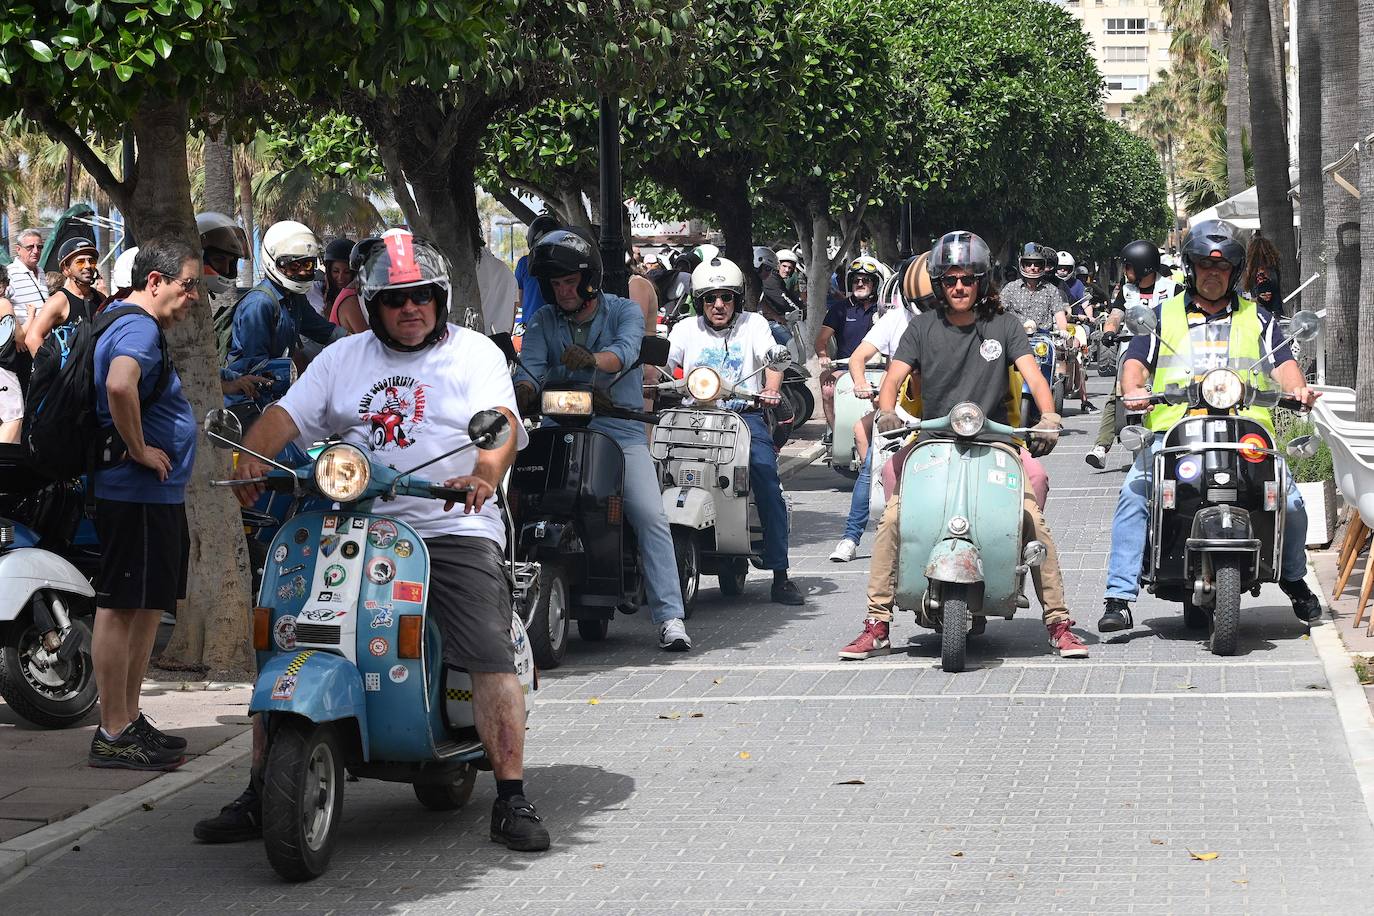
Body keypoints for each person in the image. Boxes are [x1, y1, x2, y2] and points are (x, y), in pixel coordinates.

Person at [196, 229, 550, 852]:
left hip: (449, 524)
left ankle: (512, 795)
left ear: (438, 298)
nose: (410, 309)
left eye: (420, 297)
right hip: (348, 521)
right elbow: (289, 415)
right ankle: (261, 787)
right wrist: (253, 455)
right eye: (395, 300)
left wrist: (483, 476)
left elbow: (503, 428)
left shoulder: (474, 355)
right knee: (279, 627)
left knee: (487, 646)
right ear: (372, 306)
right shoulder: (343, 357)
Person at [837, 230, 1088, 661]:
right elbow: (893, 380)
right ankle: (876, 623)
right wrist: (887, 412)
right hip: (932, 440)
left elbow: (1034, 377)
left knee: (1032, 518)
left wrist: (1049, 416)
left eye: (968, 279)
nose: (959, 287)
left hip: (997, 441)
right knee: (893, 520)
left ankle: (1058, 622)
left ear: (982, 281)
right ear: (938, 282)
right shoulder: (921, 327)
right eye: (950, 279)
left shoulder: (1004, 325)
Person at [1097, 219, 1320, 633]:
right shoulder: (1161, 316)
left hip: (1247, 429)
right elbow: (1135, 362)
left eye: (1222, 267)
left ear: (1234, 272)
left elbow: (1285, 364)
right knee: (1135, 493)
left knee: (1288, 500)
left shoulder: (1261, 318)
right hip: (1175, 429)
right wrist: (1134, 390)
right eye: (1204, 265)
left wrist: (1299, 390)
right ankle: (1119, 594)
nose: (1212, 274)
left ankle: (1293, 577)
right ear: (1190, 268)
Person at [512, 228, 691, 650]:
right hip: (557, 429)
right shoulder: (542, 321)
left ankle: (670, 617)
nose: (562, 291)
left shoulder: (623, 311)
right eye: (555, 284)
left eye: (569, 282)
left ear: (589, 279)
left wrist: (594, 360)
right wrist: (520, 391)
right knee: (512, 504)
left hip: (620, 432)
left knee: (650, 515)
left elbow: (626, 351)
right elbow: (530, 371)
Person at [88, 238, 200, 769]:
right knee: (120, 607)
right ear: (154, 282)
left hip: (151, 496)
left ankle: (129, 719)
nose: (194, 296)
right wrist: (139, 448)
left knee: (144, 607)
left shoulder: (129, 322)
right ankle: (112, 731)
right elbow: (118, 384)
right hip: (134, 493)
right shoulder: (138, 327)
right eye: (188, 284)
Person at [666, 257, 805, 606]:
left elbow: (772, 356)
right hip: (694, 419)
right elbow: (663, 364)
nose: (719, 305)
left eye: (726, 297)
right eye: (710, 298)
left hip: (744, 418)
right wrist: (651, 378)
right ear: (700, 301)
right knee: (658, 474)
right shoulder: (685, 329)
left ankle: (780, 573)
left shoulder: (754, 324)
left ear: (737, 299)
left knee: (764, 476)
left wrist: (772, 387)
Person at [828, 252, 936, 562]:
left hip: (948, 408)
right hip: (901, 407)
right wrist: (862, 383)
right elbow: (858, 357)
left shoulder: (956, 319)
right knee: (873, 464)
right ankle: (851, 536)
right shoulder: (895, 320)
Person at [223, 220, 344, 404]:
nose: (302, 273)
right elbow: (256, 367)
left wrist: (361, 342)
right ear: (274, 262)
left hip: (276, 393)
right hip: (248, 400)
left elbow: (323, 330)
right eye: (294, 266)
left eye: (308, 266)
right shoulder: (259, 304)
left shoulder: (294, 297)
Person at [1085, 240, 1179, 470]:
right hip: (1133, 349)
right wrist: (1109, 331)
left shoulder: (1173, 289)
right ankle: (1101, 446)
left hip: (1165, 352)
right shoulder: (1126, 291)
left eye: (1128, 267)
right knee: (1118, 392)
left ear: (1143, 267)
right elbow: (1116, 315)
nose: (1125, 271)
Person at [814, 256, 883, 438]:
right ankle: (837, 435)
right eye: (855, 280)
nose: (860, 283)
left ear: (876, 283)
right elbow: (821, 340)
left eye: (865, 280)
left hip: (882, 368)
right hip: (845, 369)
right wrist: (823, 355)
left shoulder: (885, 309)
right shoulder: (840, 308)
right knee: (828, 389)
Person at [24, 237, 102, 375]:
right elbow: (32, 338)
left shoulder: (100, 298)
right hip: (70, 387)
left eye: (91, 261)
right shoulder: (59, 300)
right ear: (66, 269)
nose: (88, 266)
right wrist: (53, 373)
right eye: (80, 262)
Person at [514, 214, 560, 324]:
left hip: (532, 325)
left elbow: (518, 301)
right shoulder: (564, 262)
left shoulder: (524, 263)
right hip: (560, 326)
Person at [752, 246, 800, 345]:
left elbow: (761, 302)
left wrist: (779, 318)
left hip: (771, 320)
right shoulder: (768, 281)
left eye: (790, 268)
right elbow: (783, 300)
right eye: (767, 268)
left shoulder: (762, 281)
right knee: (793, 344)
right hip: (764, 322)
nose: (787, 270)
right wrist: (798, 310)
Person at [6, 229, 49, 322]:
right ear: (18, 249)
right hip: (23, 335)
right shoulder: (10, 273)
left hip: (46, 335)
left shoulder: (41, 271)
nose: (36, 251)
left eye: (39, 247)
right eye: (30, 247)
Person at [1243, 234, 1283, 317]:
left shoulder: (1261, 273)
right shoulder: (1272, 270)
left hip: (1264, 316)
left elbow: (1265, 297)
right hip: (1273, 313)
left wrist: (1248, 302)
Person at [776, 248, 806, 314]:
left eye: (790, 268)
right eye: (784, 266)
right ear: (777, 265)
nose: (787, 270)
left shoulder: (785, 280)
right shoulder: (771, 281)